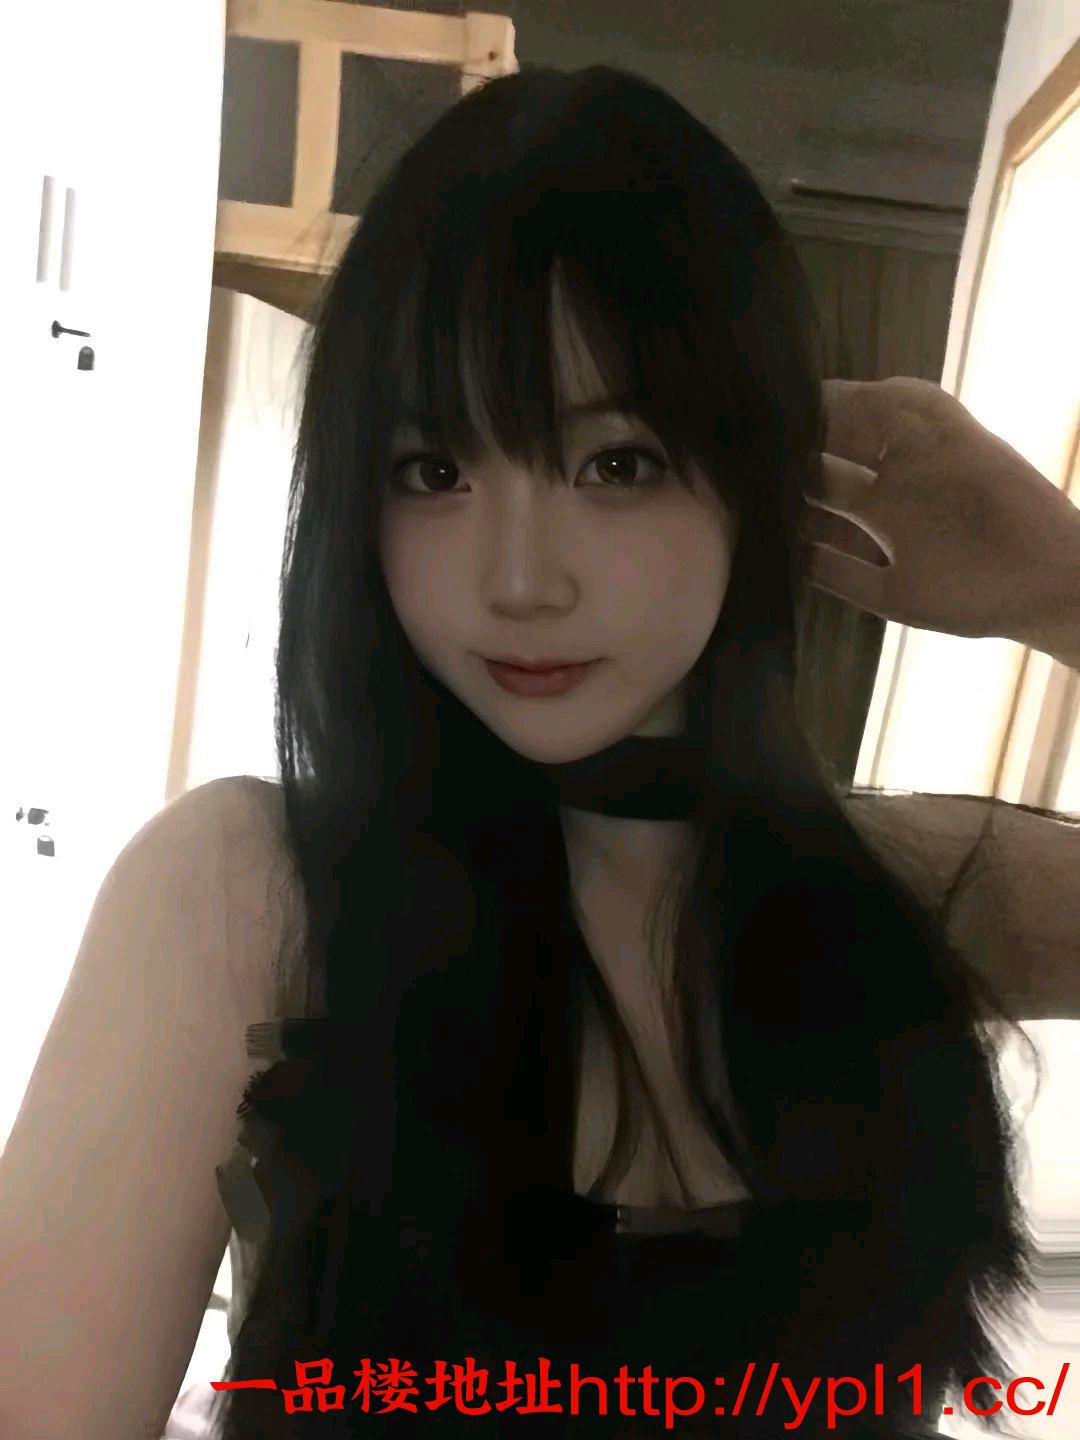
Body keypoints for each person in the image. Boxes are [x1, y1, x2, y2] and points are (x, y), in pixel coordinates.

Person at [1, 64, 1077, 1440]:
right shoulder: (246, 890)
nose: (518, 580)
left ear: (756, 477)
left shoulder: (924, 890)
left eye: (616, 463)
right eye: (433, 471)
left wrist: (1060, 584)